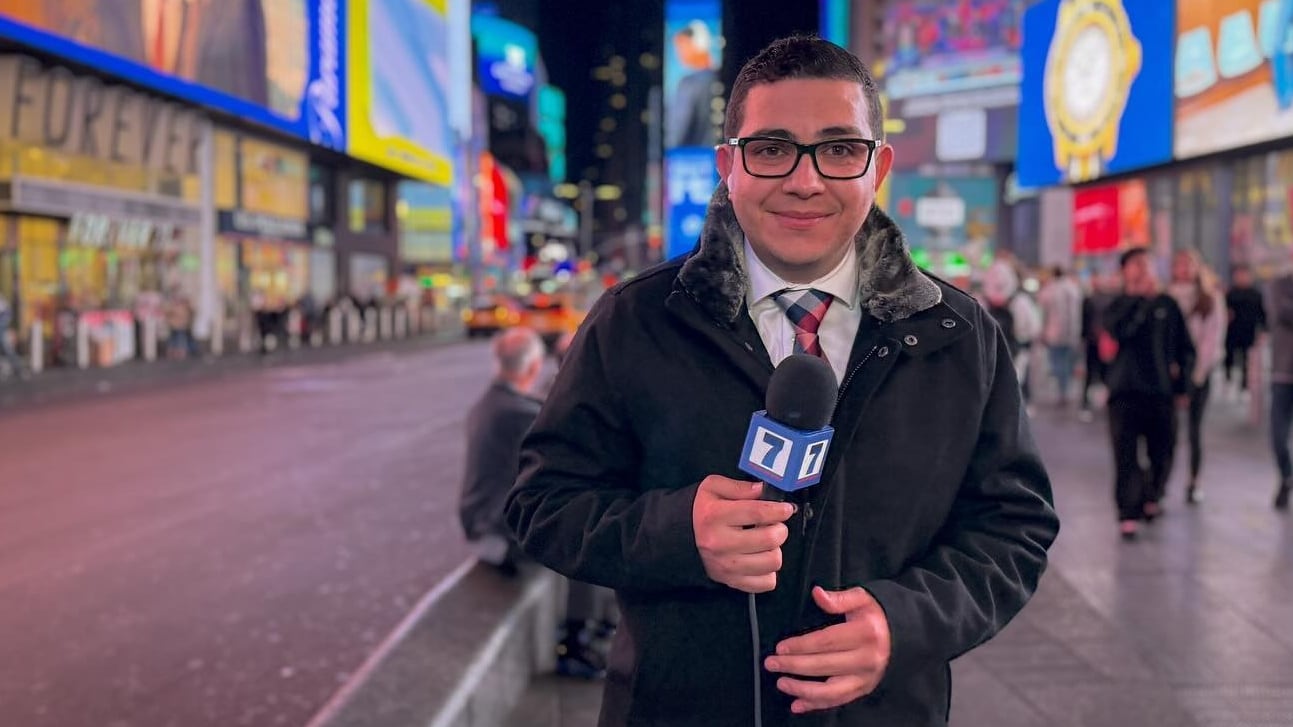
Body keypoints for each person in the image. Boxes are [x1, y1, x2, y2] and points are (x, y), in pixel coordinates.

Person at [505, 36, 1058, 726]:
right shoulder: (634, 322)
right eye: (770, 149)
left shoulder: (957, 333)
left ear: (877, 166)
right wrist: (677, 531)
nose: (804, 180)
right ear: (726, 166)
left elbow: (1013, 527)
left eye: (838, 149)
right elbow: (541, 503)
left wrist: (905, 621)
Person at [458, 326, 607, 679]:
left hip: (483, 518)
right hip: (496, 530)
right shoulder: (515, 413)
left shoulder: (492, 402)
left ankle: (593, 625)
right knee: (584, 536)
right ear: (532, 367)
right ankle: (575, 641)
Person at [1103, 248, 1195, 539]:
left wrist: (1183, 387)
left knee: (1163, 452)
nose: (1142, 270)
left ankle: (1152, 494)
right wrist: (1141, 302)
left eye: (1147, 264)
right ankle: (1127, 513)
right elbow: (1120, 332)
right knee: (1125, 456)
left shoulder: (1168, 305)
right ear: (1125, 271)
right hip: (1124, 392)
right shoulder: (1118, 305)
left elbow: (1184, 348)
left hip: (1160, 392)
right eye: (1136, 265)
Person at [1167, 250, 1225, 504]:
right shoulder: (1167, 298)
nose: (1184, 269)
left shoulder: (1210, 299)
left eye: (1189, 264)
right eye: (1179, 264)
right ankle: (1161, 483)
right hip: (1170, 373)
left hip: (1198, 373)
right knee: (1167, 430)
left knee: (1194, 430)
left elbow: (1212, 340)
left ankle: (1194, 480)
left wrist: (1197, 373)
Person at [1265, 270, 1293, 510]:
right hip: (1283, 372)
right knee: (1278, 436)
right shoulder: (1280, 285)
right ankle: (1286, 475)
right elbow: (1283, 313)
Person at [1038, 266, 1083, 406]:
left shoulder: (1048, 291)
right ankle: (1066, 390)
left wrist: (1043, 331)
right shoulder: (1073, 289)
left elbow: (1042, 314)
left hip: (1053, 333)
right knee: (1068, 362)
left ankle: (1062, 391)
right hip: (1071, 333)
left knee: (1057, 362)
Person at [1224, 265, 1266, 394]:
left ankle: (1245, 383)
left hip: (1249, 330)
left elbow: (1262, 313)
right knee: (1229, 354)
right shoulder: (1230, 293)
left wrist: (1263, 331)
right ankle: (1228, 377)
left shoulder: (1256, 294)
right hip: (1232, 330)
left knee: (1247, 358)